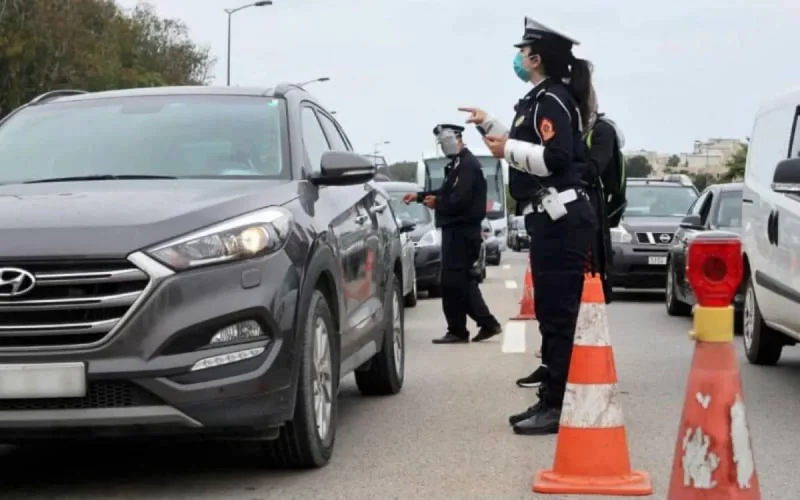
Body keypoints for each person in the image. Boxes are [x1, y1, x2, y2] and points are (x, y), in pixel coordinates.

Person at [459, 17, 597, 435]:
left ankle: (558, 404)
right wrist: (489, 125)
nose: (518, 58)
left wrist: (507, 151)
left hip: (561, 218)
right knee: (551, 313)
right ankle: (552, 396)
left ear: (536, 59)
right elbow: (528, 143)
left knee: (558, 315)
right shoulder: (541, 99)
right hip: (550, 219)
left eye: (522, 51)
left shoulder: (551, 99)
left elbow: (555, 157)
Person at [512, 85, 621, 389]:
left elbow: (590, 169)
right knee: (552, 302)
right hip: (557, 212)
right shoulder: (573, 129)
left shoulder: (601, 131)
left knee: (570, 299)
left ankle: (574, 371)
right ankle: (551, 365)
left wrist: (551, 165)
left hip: (583, 215)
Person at [403, 124, 502, 344]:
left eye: (445, 142)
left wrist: (438, 203)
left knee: (456, 282)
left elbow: (460, 199)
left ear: (457, 139)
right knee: (458, 282)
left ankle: (470, 327)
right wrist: (421, 197)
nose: (444, 147)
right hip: (455, 231)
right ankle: (476, 325)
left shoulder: (468, 165)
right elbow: (446, 192)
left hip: (462, 232)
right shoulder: (457, 164)